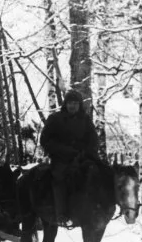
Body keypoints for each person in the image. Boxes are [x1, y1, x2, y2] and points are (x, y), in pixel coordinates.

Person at [39, 89, 99, 226]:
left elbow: (94, 140)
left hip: (83, 158)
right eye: (70, 103)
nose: (73, 106)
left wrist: (87, 152)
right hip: (61, 159)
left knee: (95, 173)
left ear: (80, 105)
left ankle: (96, 208)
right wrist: (64, 151)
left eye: (76, 103)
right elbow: (45, 140)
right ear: (65, 104)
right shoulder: (55, 119)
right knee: (60, 178)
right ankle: (61, 213)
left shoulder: (85, 120)